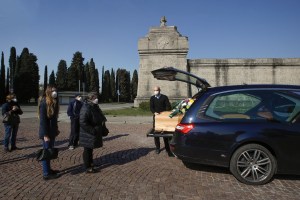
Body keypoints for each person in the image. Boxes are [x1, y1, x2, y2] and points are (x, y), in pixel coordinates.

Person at [79, 92, 107, 173]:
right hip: (88, 133)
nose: (96, 99)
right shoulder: (86, 107)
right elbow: (83, 122)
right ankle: (88, 167)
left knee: (90, 149)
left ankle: (91, 163)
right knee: (87, 150)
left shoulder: (94, 106)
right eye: (94, 98)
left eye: (96, 97)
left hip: (93, 132)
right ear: (90, 99)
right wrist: (93, 130)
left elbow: (100, 117)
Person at [38, 85, 60, 180]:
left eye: (56, 91)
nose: (55, 92)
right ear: (48, 92)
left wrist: (56, 129)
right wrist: (45, 135)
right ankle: (46, 174)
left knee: (50, 152)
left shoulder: (53, 102)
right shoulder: (44, 103)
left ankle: (49, 169)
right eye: (53, 91)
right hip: (47, 133)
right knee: (46, 152)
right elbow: (43, 121)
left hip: (52, 131)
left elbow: (53, 119)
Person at [150, 86, 172, 155]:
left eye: (156, 90)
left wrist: (164, 113)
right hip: (156, 118)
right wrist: (154, 112)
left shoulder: (164, 97)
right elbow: (151, 107)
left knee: (165, 133)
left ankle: (167, 148)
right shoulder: (152, 98)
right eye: (154, 90)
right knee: (156, 133)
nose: (155, 91)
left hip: (163, 118)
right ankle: (157, 148)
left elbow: (168, 106)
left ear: (159, 90)